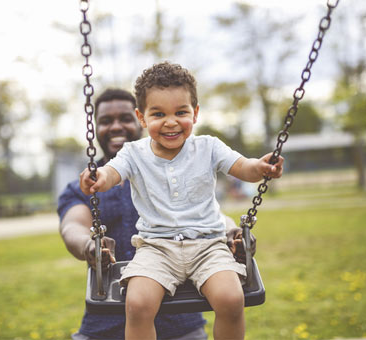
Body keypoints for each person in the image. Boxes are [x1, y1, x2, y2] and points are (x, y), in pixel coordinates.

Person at [80, 62, 283, 340]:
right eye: (159, 113)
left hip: (209, 245)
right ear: (142, 117)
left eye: (181, 112)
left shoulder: (209, 147)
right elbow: (111, 173)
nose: (171, 121)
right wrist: (98, 177)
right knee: (137, 304)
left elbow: (242, 167)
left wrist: (259, 168)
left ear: (195, 113)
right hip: (156, 249)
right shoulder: (133, 153)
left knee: (231, 298)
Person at [58, 88, 252, 340]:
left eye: (124, 118)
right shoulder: (86, 185)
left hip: (181, 325)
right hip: (104, 326)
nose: (116, 126)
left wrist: (231, 231)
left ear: (138, 120)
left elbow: (208, 213)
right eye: (106, 121)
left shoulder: (182, 166)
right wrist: (88, 246)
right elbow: (72, 227)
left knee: (230, 298)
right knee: (137, 304)